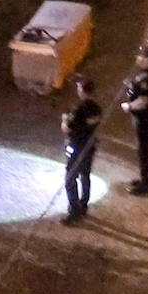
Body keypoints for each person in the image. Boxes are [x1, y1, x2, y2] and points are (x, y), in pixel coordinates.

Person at [60, 76, 101, 224]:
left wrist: (65, 118)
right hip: (90, 147)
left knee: (70, 179)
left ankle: (74, 211)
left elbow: (66, 128)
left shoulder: (78, 110)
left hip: (76, 147)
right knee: (85, 175)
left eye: (78, 88)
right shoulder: (97, 109)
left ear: (82, 91)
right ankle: (83, 205)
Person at [120, 43, 148, 195]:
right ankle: (145, 178)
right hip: (142, 117)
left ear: (146, 59)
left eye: (140, 56)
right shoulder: (145, 73)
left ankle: (146, 184)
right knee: (142, 149)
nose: (137, 58)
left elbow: (143, 101)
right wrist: (131, 84)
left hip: (143, 118)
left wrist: (128, 107)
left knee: (143, 150)